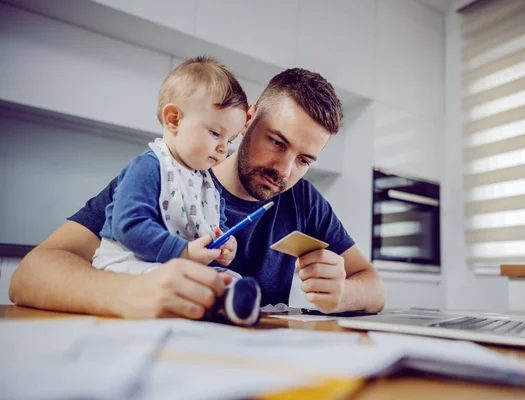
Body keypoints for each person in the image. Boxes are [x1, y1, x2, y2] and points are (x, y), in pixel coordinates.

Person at [9, 67, 385, 319]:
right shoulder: (163, 174)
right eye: (276, 141)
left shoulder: (303, 200)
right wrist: (129, 293)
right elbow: (29, 276)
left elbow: (372, 284)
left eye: (304, 159)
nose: (285, 171)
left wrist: (342, 294)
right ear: (248, 118)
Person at [91, 56, 245, 276]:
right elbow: (128, 225)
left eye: (229, 141)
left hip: (171, 268)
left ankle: (229, 297)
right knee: (179, 281)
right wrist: (182, 251)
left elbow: (215, 224)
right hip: (126, 263)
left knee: (232, 278)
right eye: (215, 133)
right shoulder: (149, 167)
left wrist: (225, 242)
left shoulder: (208, 183)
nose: (223, 149)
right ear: (174, 119)